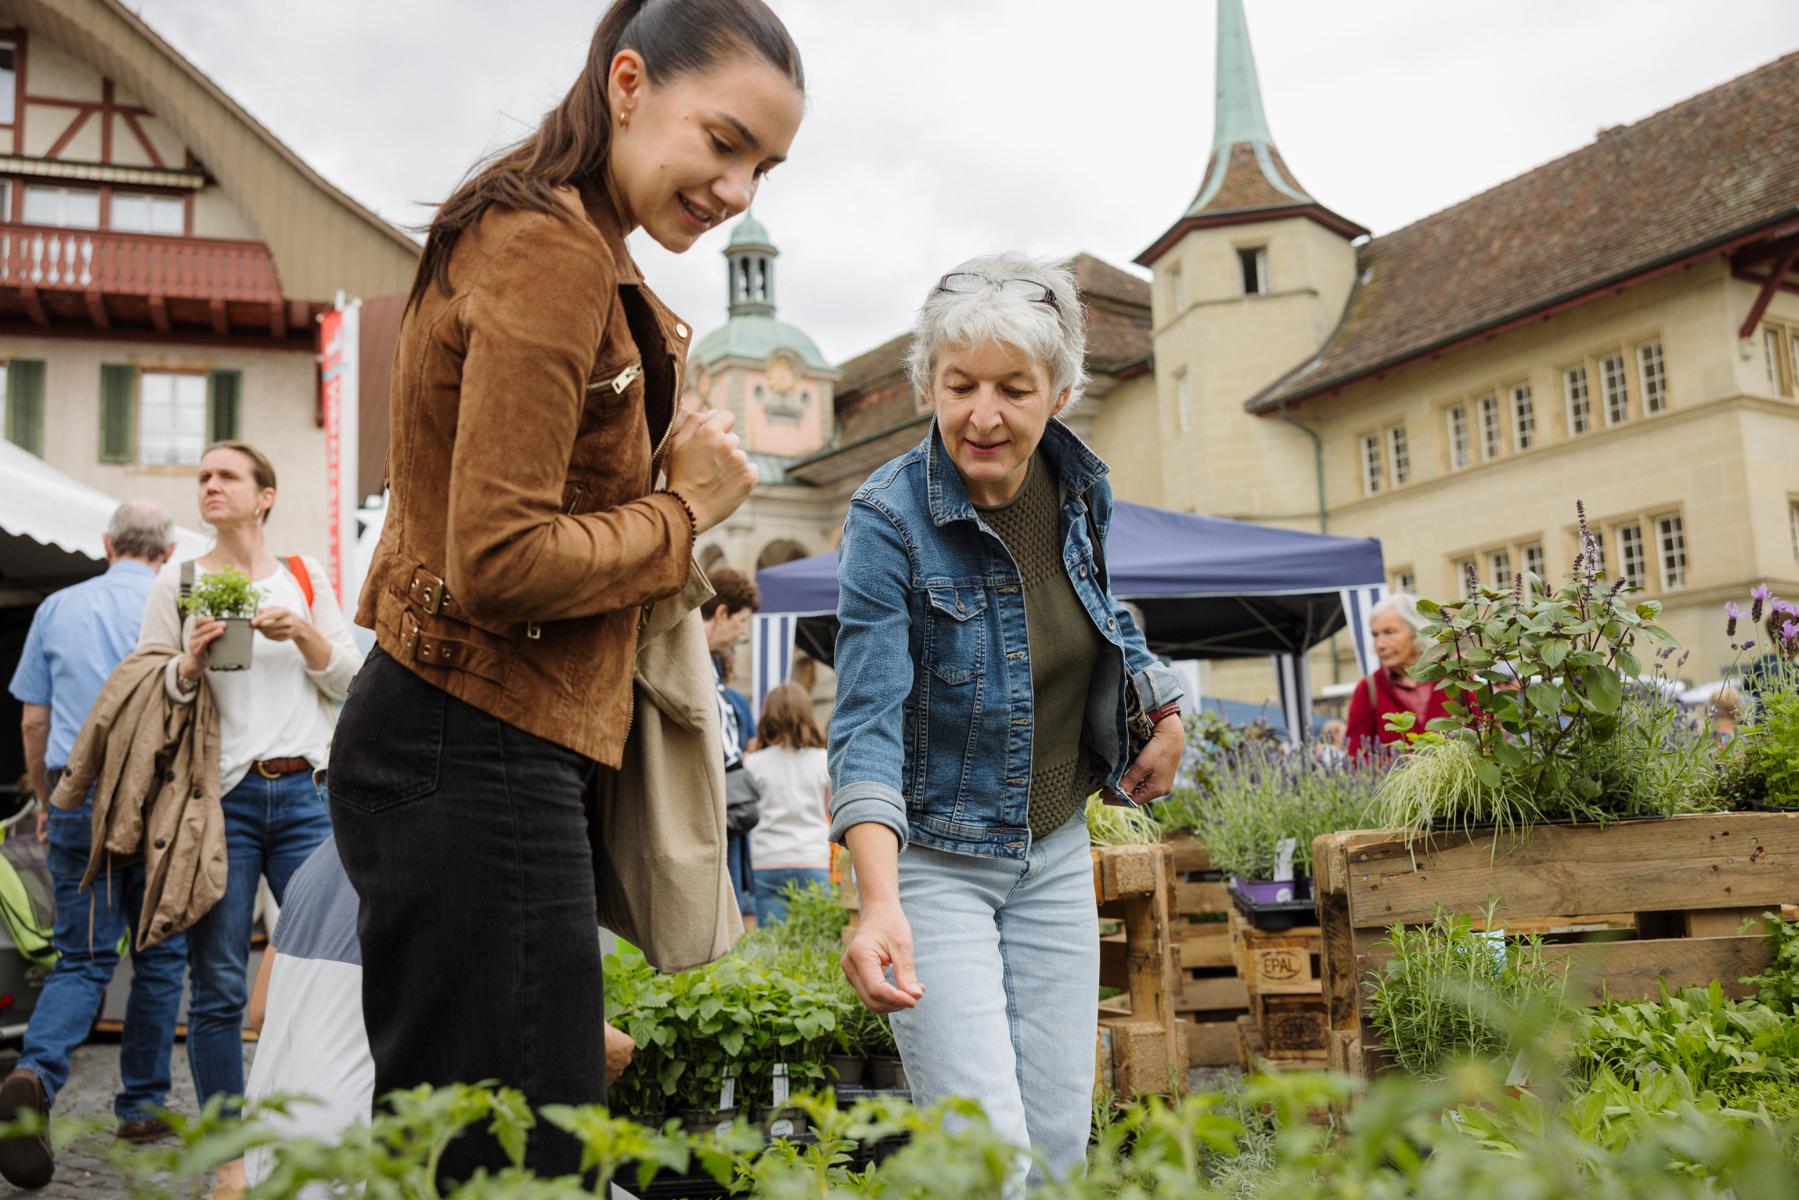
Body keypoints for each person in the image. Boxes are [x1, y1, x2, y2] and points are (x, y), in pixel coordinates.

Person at [325, 0, 801, 1180]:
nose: (738, 189)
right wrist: (685, 506)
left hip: (479, 743)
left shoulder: (571, 244)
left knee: (495, 1145)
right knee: (512, 1163)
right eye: (724, 140)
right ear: (628, 84)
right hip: (471, 738)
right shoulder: (548, 249)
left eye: (765, 167)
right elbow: (499, 560)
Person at [828, 254, 1186, 1188]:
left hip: (1054, 848)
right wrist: (877, 902)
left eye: (1012, 389)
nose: (983, 415)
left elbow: (1096, 618)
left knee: (1061, 1151)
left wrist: (1164, 703)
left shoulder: (1076, 487)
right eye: (960, 386)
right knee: (989, 1162)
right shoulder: (887, 519)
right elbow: (864, 719)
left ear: (1059, 393)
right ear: (926, 387)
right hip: (935, 865)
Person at [213, 837, 640, 1199]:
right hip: (364, 1173)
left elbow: (261, 1011)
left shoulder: (318, 862)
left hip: (274, 1167)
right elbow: (568, 1046)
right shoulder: (464, 860)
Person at [136, 442, 361, 1113]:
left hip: (306, 795)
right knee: (219, 984)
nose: (210, 485)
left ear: (264, 496)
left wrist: (302, 633)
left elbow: (352, 678)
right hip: (219, 800)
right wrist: (189, 662)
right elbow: (148, 692)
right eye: (203, 476)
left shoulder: (301, 573)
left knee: (336, 962)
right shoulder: (176, 582)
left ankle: (326, 1117)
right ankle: (231, 1151)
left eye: (227, 476)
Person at [0, 501, 187, 1188]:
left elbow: (33, 721)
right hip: (160, 799)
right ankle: (140, 1106)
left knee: (81, 961)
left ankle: (34, 1075)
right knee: (160, 956)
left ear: (106, 544)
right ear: (165, 553)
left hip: (79, 796)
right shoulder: (178, 605)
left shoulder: (57, 608)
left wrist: (49, 804)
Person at [703, 566, 761, 928]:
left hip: (724, 799)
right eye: (740, 622)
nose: (742, 633)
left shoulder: (708, 666)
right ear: (721, 612)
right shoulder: (688, 659)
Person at [744, 682, 830, 923]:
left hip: (767, 859)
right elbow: (831, 808)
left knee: (774, 947)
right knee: (817, 941)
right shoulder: (823, 760)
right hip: (812, 856)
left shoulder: (753, 763)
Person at [1344, 593, 1455, 757]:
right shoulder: (1368, 689)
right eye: (1375, 635)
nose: (1379, 644)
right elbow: (1356, 757)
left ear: (1416, 632)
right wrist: (1398, 767)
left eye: (1389, 632)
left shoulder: (1456, 678)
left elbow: (1485, 736)